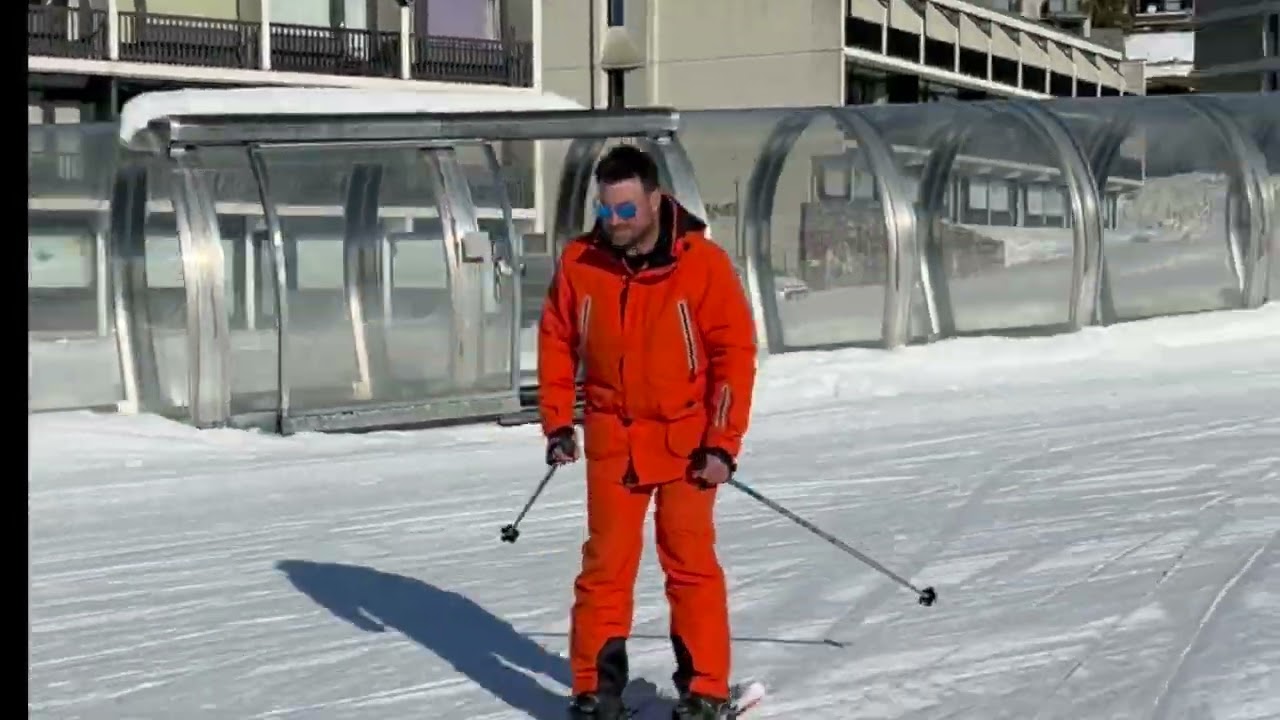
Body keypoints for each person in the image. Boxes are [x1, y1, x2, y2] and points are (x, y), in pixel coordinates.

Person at [537, 144, 758, 720]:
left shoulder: (702, 263)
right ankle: (595, 692)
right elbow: (557, 341)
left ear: (657, 199)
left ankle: (705, 690)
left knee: (689, 564)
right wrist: (558, 420)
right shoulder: (580, 262)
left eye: (627, 210)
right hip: (613, 435)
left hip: (687, 440)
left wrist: (722, 443)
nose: (615, 223)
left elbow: (733, 356)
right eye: (606, 211)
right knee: (605, 567)